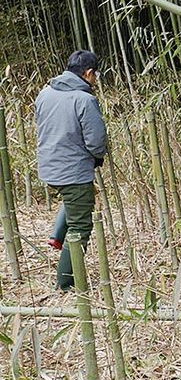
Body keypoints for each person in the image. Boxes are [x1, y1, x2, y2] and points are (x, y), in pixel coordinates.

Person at [34, 50, 107, 290]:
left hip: (48, 166)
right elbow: (96, 141)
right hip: (72, 170)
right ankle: (66, 281)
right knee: (80, 226)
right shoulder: (84, 100)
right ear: (88, 74)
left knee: (77, 198)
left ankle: (56, 235)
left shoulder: (45, 93)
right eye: (95, 75)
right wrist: (97, 157)